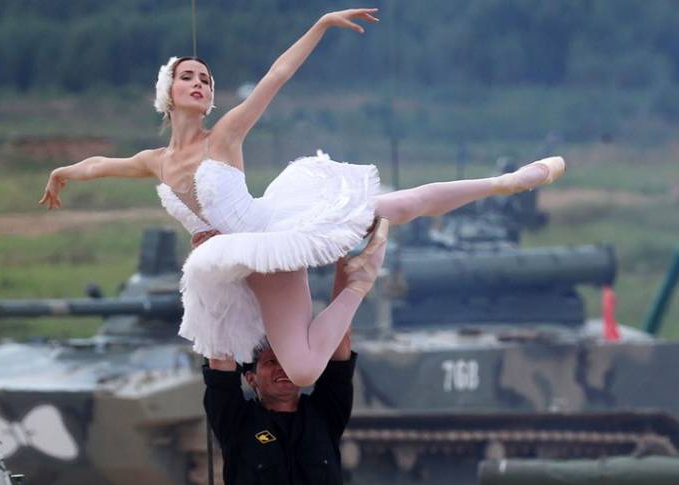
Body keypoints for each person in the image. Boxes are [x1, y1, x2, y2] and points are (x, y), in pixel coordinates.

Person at [40, 7, 566, 387]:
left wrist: (319, 25)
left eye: (205, 78)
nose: (199, 83)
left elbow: (277, 75)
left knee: (394, 209)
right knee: (286, 366)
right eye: (188, 77)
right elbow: (100, 165)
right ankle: (349, 290)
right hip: (232, 261)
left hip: (270, 235)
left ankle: (506, 182)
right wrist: (63, 172)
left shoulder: (223, 136)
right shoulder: (156, 160)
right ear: (168, 91)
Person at [203, 258, 356, 485]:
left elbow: (339, 335)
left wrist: (345, 260)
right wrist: (216, 269)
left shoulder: (325, 415)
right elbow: (220, 363)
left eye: (288, 358)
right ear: (251, 378)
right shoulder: (237, 423)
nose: (282, 369)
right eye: (271, 362)